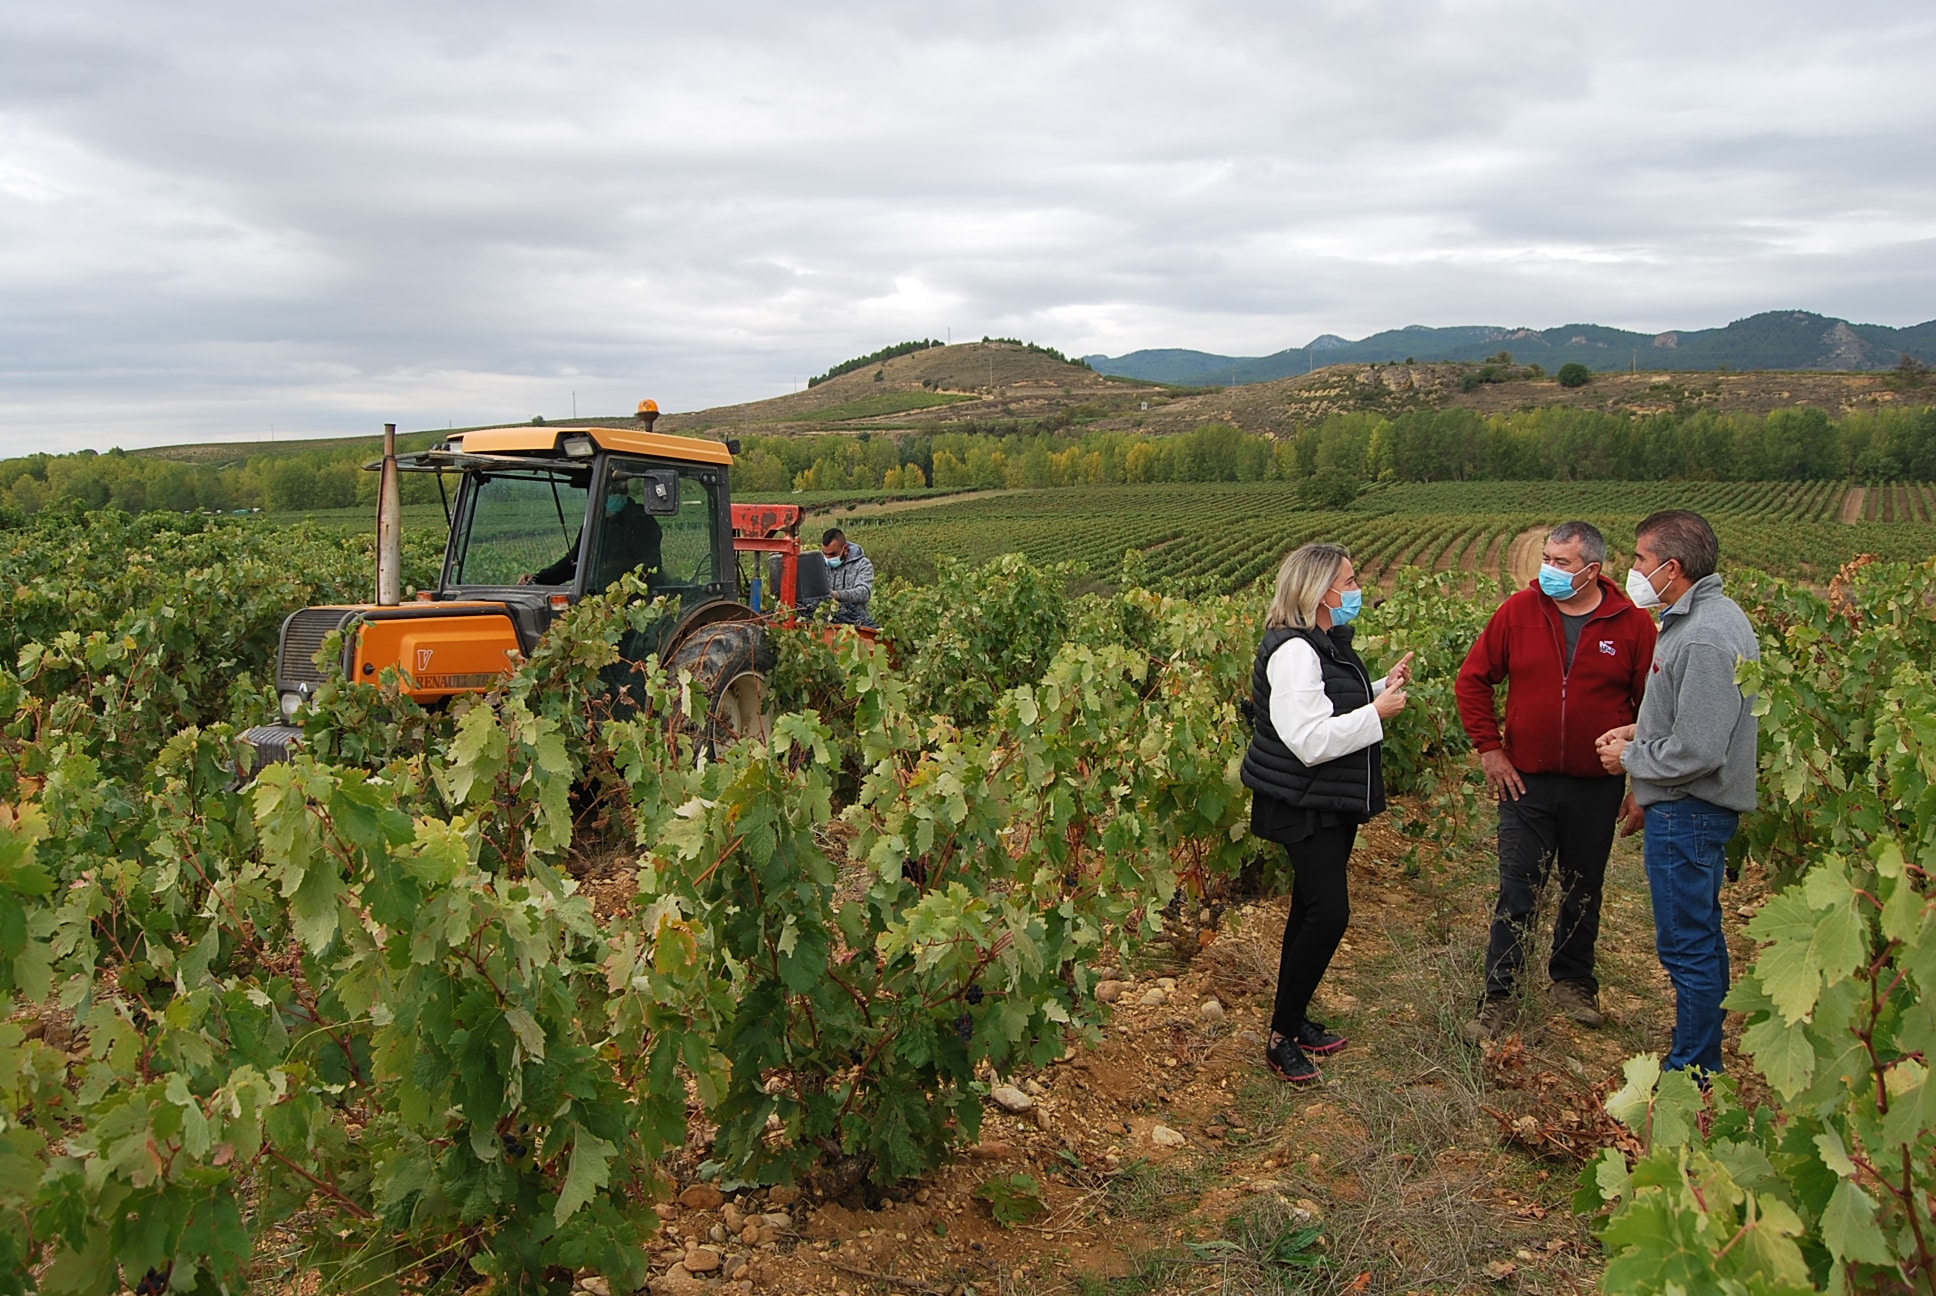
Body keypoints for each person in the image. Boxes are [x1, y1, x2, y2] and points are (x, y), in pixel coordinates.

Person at [1454, 521, 1657, 1044]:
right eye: (1546, 558)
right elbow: (1473, 680)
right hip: (1526, 783)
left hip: (1596, 785)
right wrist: (1491, 750)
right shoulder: (1517, 614)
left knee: (1583, 885)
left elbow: (1655, 710)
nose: (1548, 570)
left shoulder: (1632, 625)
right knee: (1518, 887)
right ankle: (1499, 995)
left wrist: (1642, 780)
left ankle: (1572, 982)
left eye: (1561, 563)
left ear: (1593, 569)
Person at [1596, 510, 1759, 1078]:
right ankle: (1702, 1056)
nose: (1632, 569)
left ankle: (1692, 1070)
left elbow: (1700, 748)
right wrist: (1639, 730)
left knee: (1686, 945)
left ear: (1672, 567)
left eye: (1640, 559)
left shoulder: (1709, 634)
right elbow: (1692, 714)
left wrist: (1630, 759)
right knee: (1701, 937)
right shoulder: (1695, 619)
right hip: (1689, 808)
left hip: (1689, 811)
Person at [1241, 543, 1411, 1084]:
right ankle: (1279, 1036)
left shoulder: (1322, 642)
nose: (1356, 589)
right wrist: (1377, 713)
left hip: (1323, 799)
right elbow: (1310, 740)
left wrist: (1380, 687)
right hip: (1302, 801)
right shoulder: (1294, 651)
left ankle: (1291, 1023)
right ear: (1319, 590)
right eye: (1350, 580)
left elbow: (1330, 703)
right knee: (1329, 913)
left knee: (1311, 910)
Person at [522, 485, 662, 589]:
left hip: (634, 595)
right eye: (612, 491)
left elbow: (649, 563)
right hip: (596, 594)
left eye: (620, 490)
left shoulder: (642, 521)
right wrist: (538, 579)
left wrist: (610, 566)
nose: (617, 494)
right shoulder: (595, 523)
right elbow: (575, 562)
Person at [819, 528, 878, 628]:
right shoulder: (820, 564)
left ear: (845, 549)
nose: (828, 558)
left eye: (833, 554)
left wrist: (838, 595)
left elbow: (864, 592)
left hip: (856, 625)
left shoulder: (862, 564)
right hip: (827, 625)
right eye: (825, 554)